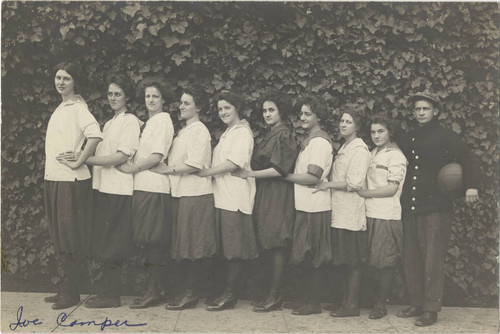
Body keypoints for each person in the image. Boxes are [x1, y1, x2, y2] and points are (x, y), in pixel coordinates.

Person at [395, 91, 481, 327]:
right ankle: (416, 302)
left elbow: (469, 160)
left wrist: (471, 186)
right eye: (417, 109)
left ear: (435, 111)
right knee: (411, 258)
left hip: (436, 207)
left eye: (425, 109)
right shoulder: (410, 137)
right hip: (411, 206)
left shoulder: (447, 137)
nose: (421, 113)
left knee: (433, 259)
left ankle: (430, 309)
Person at [75, 74, 141, 308]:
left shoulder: (130, 121)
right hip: (103, 188)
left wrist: (85, 160)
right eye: (110, 94)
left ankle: (112, 296)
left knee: (113, 242)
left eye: (118, 94)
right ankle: (105, 292)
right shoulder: (109, 123)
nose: (113, 98)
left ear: (127, 97)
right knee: (103, 241)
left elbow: (120, 156)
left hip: (119, 189)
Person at [150, 84, 216, 310]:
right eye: (181, 102)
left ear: (198, 107)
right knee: (184, 246)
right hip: (182, 194)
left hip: (195, 194)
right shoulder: (185, 131)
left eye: (187, 103)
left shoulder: (199, 130)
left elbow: (194, 164)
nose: (181, 106)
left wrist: (166, 170)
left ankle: (190, 294)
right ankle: (186, 292)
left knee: (193, 246)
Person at [45, 62, 103, 309]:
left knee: (70, 237)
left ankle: (72, 293)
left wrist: (80, 160)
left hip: (71, 181)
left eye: (66, 78)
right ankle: (66, 289)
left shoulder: (78, 108)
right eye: (58, 77)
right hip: (55, 178)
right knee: (59, 235)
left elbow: (96, 134)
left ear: (75, 82)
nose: (61, 82)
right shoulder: (61, 107)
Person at [232, 93, 297, 312]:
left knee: (277, 242)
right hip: (266, 192)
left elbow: (279, 169)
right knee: (268, 241)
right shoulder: (270, 134)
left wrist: (248, 174)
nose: (267, 114)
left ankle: (275, 295)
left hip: (278, 193)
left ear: (281, 112)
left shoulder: (284, 135)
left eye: (272, 110)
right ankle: (269, 293)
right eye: (265, 111)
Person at [116, 76, 174, 309]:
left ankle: (154, 291)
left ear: (163, 100)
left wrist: (133, 168)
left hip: (154, 186)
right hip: (142, 186)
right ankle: (154, 289)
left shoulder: (163, 121)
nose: (150, 100)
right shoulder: (148, 123)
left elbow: (156, 156)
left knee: (154, 241)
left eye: (155, 96)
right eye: (148, 96)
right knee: (147, 241)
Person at [197, 90, 258, 311]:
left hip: (235, 197)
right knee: (225, 248)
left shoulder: (242, 133)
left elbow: (234, 163)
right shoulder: (228, 132)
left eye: (227, 108)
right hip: (222, 197)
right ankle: (224, 291)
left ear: (237, 108)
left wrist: (208, 172)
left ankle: (231, 294)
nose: (223, 112)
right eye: (220, 108)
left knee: (234, 249)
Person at [315, 109, 371, 318]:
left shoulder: (360, 150)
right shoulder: (344, 148)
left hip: (351, 212)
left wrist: (326, 185)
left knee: (351, 260)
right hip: (339, 210)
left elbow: (354, 183)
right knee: (342, 258)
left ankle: (352, 305)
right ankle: (343, 301)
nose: (344, 124)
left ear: (357, 126)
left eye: (349, 121)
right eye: (342, 121)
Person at [285, 95, 333, 316]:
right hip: (304, 205)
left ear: (318, 116)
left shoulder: (320, 142)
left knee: (314, 254)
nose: (302, 117)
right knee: (303, 253)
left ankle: (313, 303)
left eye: (308, 114)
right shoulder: (310, 141)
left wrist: (284, 176)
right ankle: (304, 298)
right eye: (301, 113)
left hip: (316, 206)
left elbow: (313, 177)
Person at [356, 115, 407, 319]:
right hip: (367, 213)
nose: (376, 135)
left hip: (386, 214)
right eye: (373, 132)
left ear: (390, 132)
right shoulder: (373, 152)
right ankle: (369, 299)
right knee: (369, 260)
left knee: (384, 261)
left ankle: (381, 303)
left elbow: (392, 188)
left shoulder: (396, 156)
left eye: (381, 131)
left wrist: (365, 193)